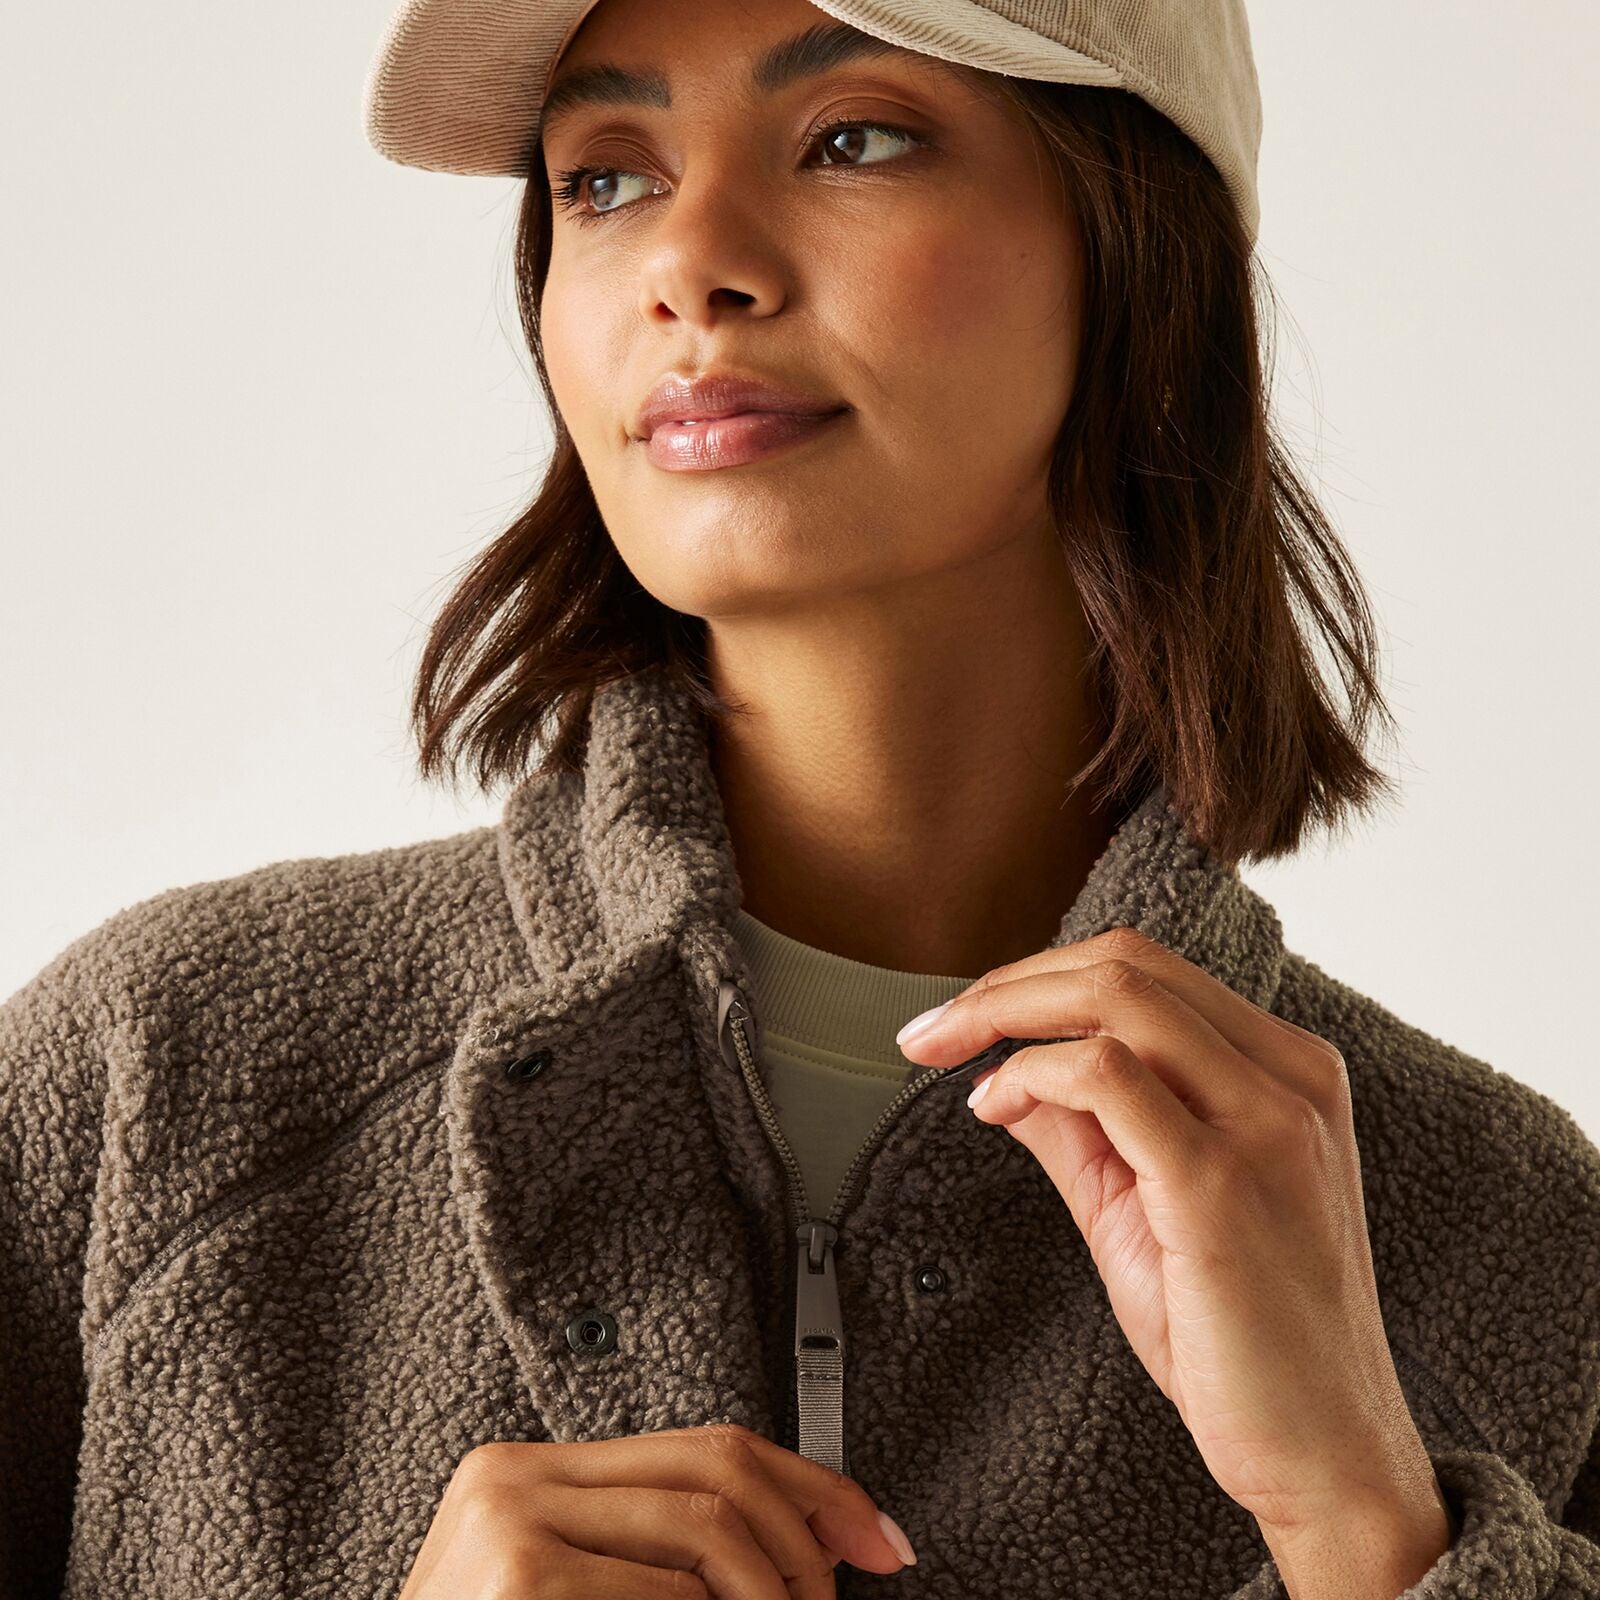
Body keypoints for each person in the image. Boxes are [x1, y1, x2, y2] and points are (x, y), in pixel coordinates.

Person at [4, 0, 1597, 1594]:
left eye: (854, 140)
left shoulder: (1515, 1242)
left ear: (1139, 252)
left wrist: (1363, 1522)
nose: (688, 262)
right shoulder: (159, 1082)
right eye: (605, 177)